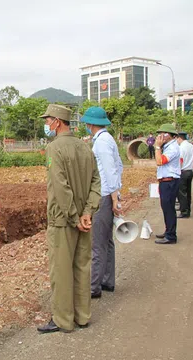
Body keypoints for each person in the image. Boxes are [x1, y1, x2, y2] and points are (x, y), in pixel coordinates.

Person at [37, 104, 101, 334]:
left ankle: (64, 320)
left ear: (57, 121)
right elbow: (96, 182)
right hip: (84, 219)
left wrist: (75, 217)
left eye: (48, 121)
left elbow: (60, 188)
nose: (46, 125)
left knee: (61, 270)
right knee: (82, 267)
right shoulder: (85, 147)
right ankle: (82, 316)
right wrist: (87, 213)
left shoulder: (54, 148)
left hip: (64, 221)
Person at [81, 107, 123, 299]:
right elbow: (119, 166)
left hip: (104, 195)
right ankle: (107, 280)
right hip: (109, 193)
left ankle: (93, 287)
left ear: (90, 124)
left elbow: (110, 171)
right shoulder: (106, 139)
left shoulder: (102, 143)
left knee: (98, 243)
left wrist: (114, 198)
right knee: (107, 241)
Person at [154, 124, 181, 245]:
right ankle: (168, 231)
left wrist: (157, 147)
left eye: (164, 133)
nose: (161, 136)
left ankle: (171, 236)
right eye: (160, 133)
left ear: (171, 136)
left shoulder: (172, 148)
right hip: (166, 181)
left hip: (169, 181)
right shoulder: (168, 146)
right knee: (166, 208)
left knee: (169, 209)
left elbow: (159, 161)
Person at [176, 132, 193, 218]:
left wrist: (177, 171)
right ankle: (188, 209)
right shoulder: (191, 146)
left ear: (179, 138)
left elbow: (180, 160)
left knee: (182, 193)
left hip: (183, 172)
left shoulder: (181, 147)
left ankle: (184, 211)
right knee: (188, 192)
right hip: (190, 171)